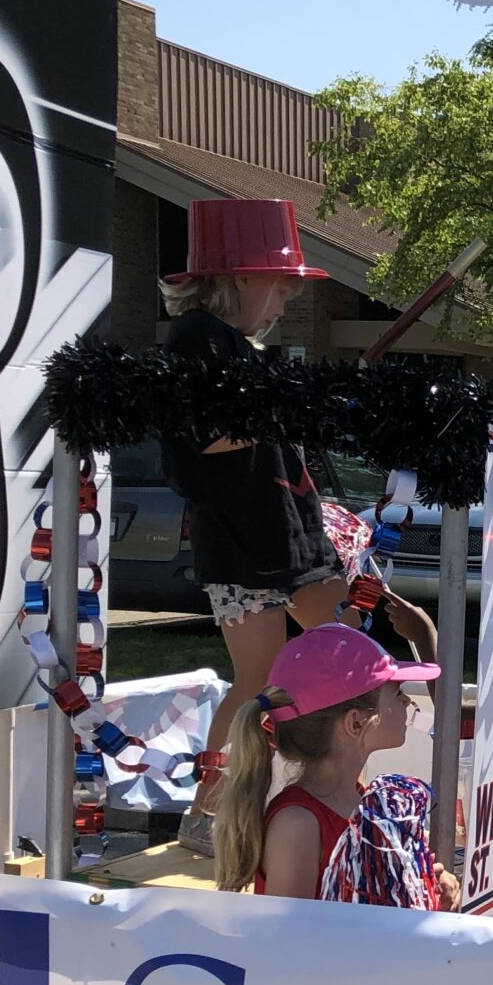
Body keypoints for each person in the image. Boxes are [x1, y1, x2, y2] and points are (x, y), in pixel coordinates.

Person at [161, 199, 343, 858]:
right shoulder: (196, 341)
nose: (287, 301)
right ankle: (206, 813)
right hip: (241, 544)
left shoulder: (238, 347)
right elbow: (198, 440)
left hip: (287, 540)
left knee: (347, 654)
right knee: (257, 682)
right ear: (238, 276)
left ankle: (330, 791)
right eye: (281, 283)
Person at [215, 622, 439, 900]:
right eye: (396, 692)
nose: (406, 701)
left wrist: (428, 894)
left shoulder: (359, 796)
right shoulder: (297, 825)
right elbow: (286, 938)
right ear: (356, 723)